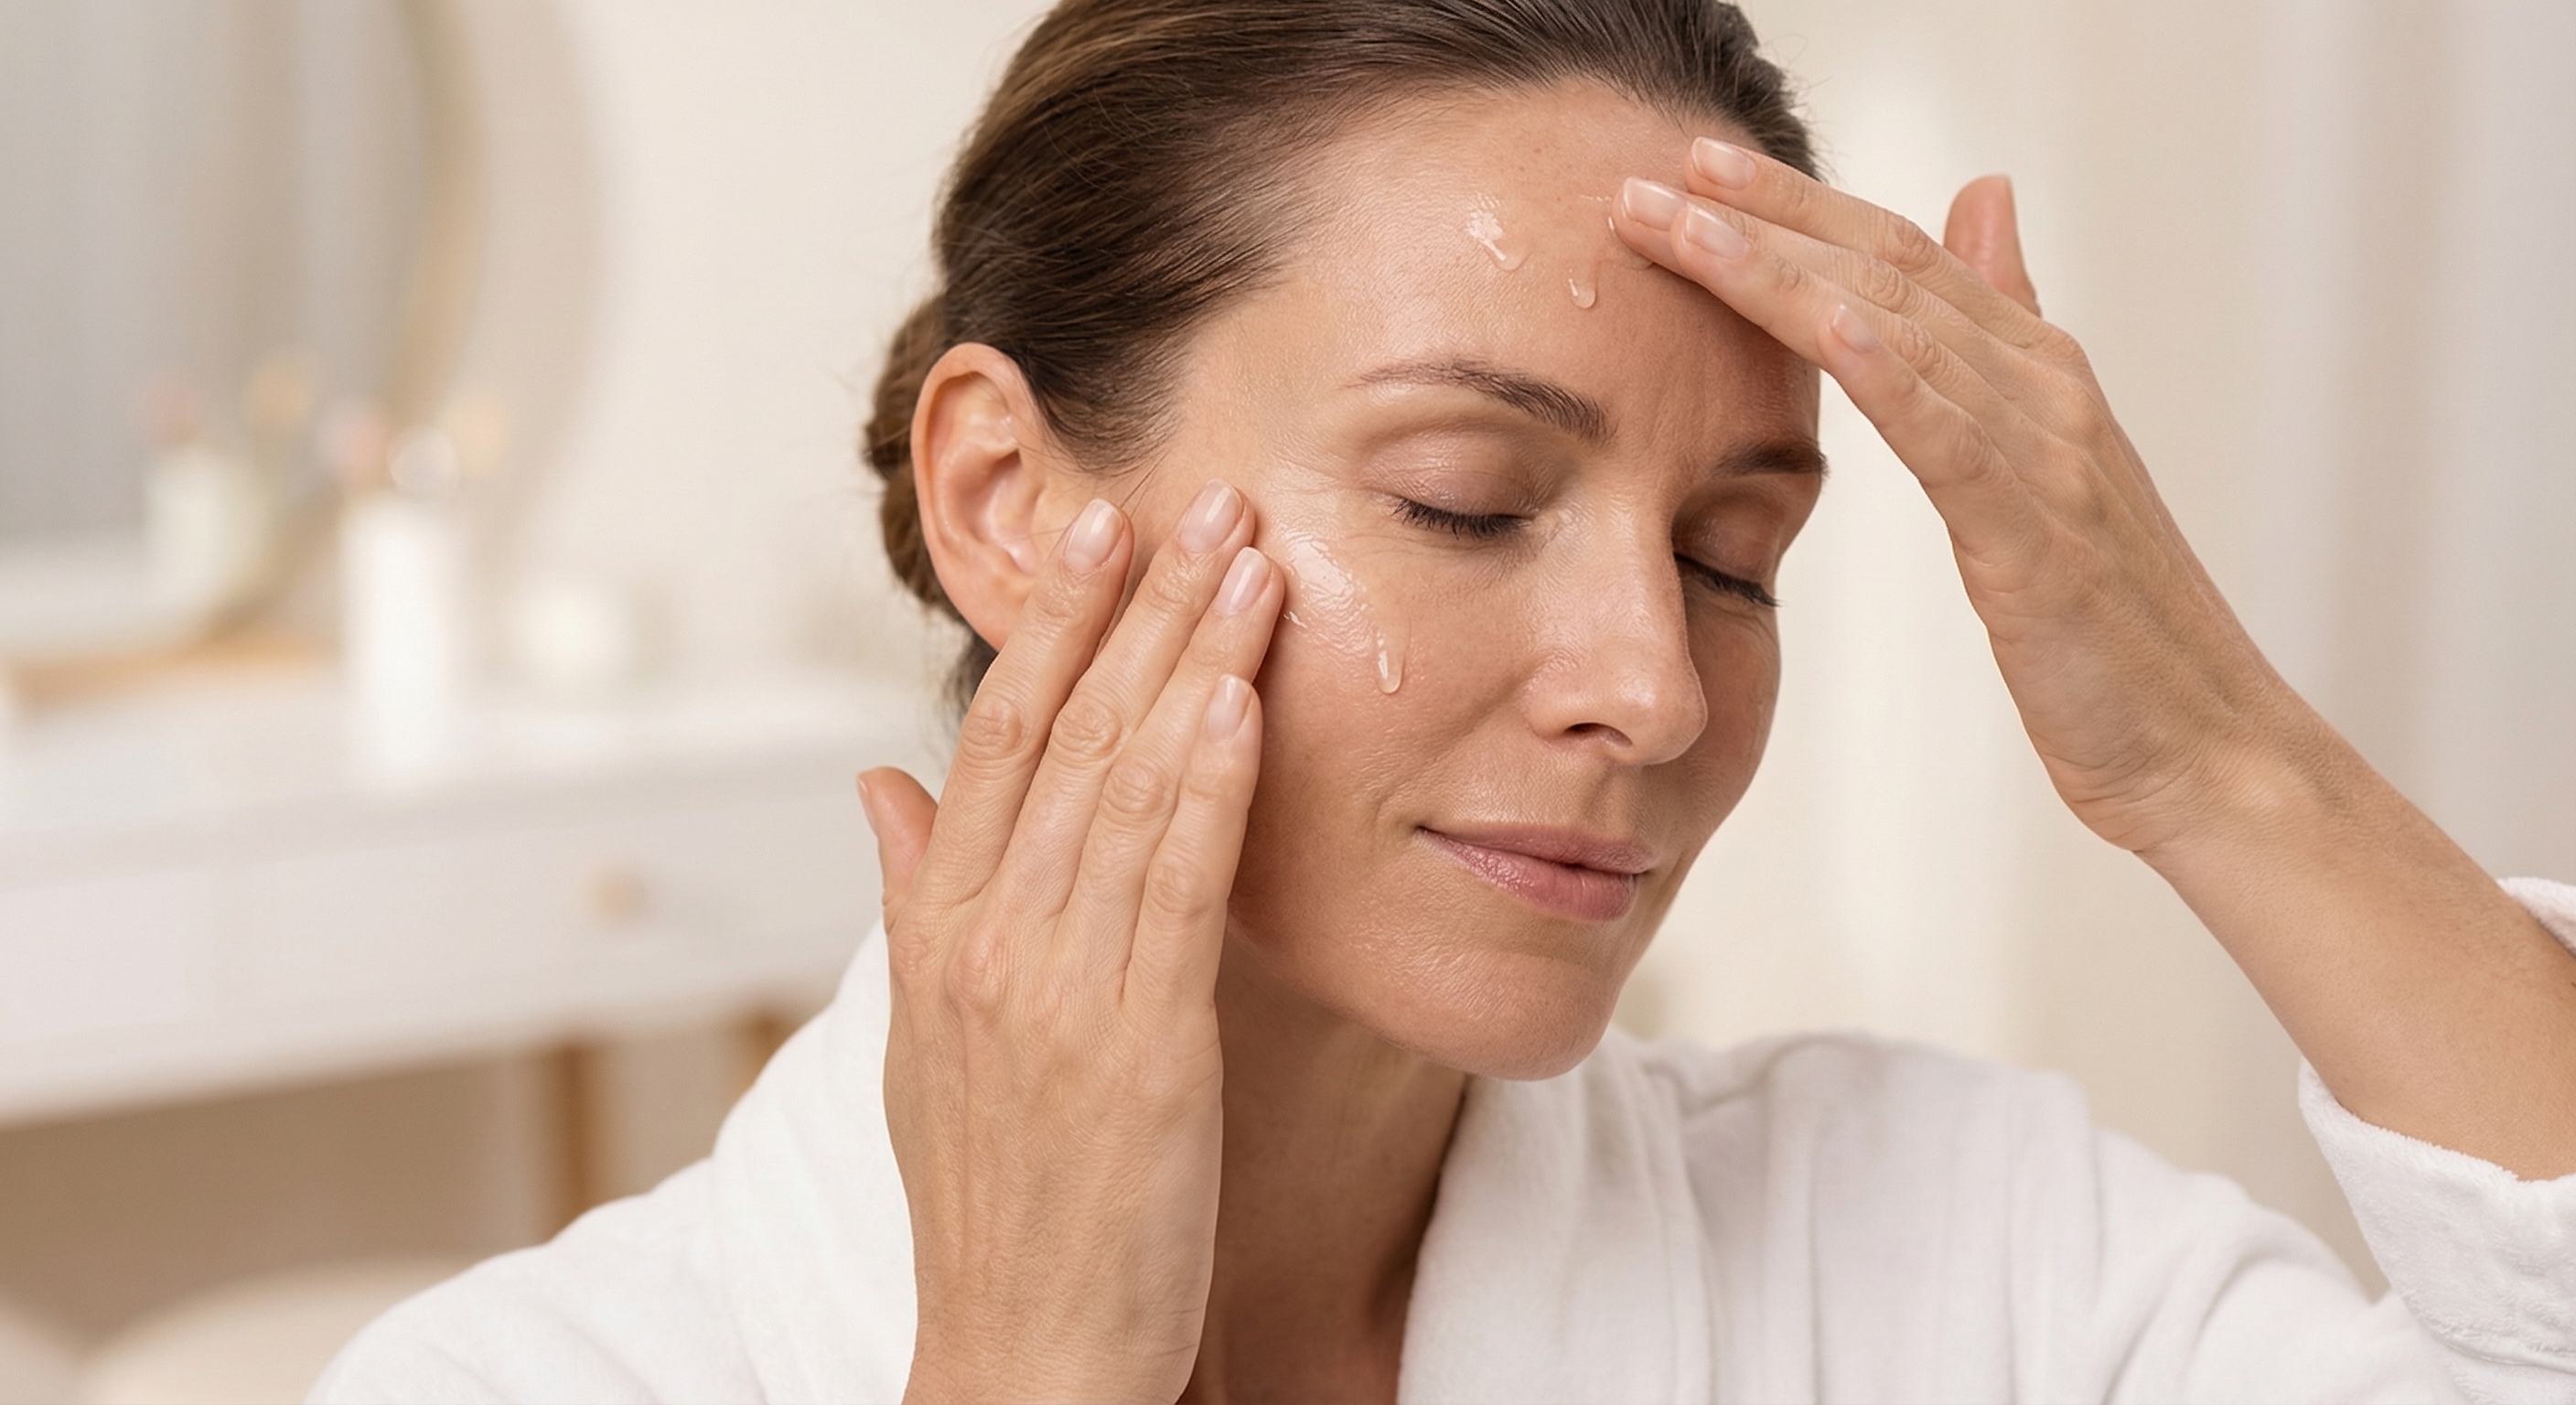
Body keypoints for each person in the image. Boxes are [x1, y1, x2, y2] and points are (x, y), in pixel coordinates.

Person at [314, 1, 2576, 1400]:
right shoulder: (535, 1381)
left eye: (1734, 558)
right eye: (1467, 498)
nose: (1653, 685)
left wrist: (2220, 762)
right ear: (1008, 496)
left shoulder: (1952, 1248)